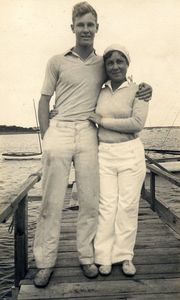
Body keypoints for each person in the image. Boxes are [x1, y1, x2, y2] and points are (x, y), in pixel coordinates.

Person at [33, 2, 152, 288]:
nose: (85, 29)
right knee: (51, 202)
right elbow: (45, 101)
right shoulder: (56, 61)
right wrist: (47, 135)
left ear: (97, 28)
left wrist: (147, 88)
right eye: (80, 24)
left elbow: (122, 78)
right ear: (72, 27)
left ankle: (87, 257)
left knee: (90, 201)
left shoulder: (103, 63)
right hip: (59, 130)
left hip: (89, 132)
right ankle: (44, 263)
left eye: (90, 25)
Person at [88, 44, 149, 277]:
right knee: (106, 205)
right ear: (105, 66)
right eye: (110, 62)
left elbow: (136, 124)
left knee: (127, 206)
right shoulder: (99, 91)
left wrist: (103, 121)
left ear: (127, 64)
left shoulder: (139, 91)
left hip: (130, 153)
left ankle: (124, 256)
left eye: (120, 61)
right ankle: (103, 257)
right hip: (104, 153)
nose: (115, 66)